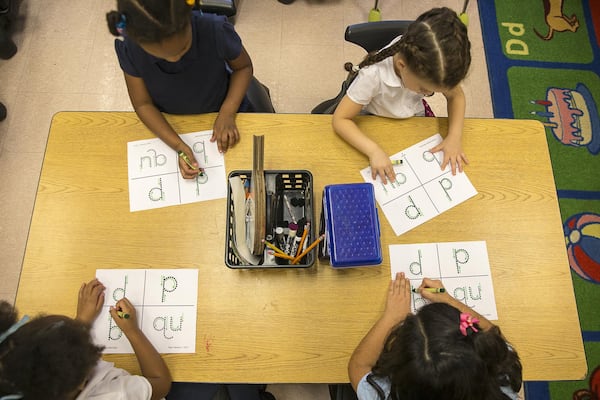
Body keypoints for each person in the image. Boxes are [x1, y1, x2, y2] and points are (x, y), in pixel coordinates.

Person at [106, 0, 254, 178]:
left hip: (223, 108)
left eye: (183, 48)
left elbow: (243, 67)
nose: (175, 59)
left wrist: (228, 112)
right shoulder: (130, 48)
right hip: (172, 122)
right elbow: (143, 104)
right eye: (162, 56)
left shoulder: (214, 29)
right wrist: (178, 146)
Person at [332, 7, 471, 182]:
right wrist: (373, 150)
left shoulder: (430, 64)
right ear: (402, 65)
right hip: (373, 117)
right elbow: (340, 119)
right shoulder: (373, 75)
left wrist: (454, 137)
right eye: (424, 89)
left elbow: (456, 96)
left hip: (411, 116)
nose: (430, 94)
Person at [348, 272, 522, 400]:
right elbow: (493, 334)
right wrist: (449, 300)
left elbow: (358, 365)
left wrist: (392, 318)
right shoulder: (500, 378)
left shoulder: (384, 394)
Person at [0, 278, 172, 399]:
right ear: (82, 381)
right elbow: (161, 384)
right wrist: (132, 330)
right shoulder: (115, 395)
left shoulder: (11, 371)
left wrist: (81, 320)